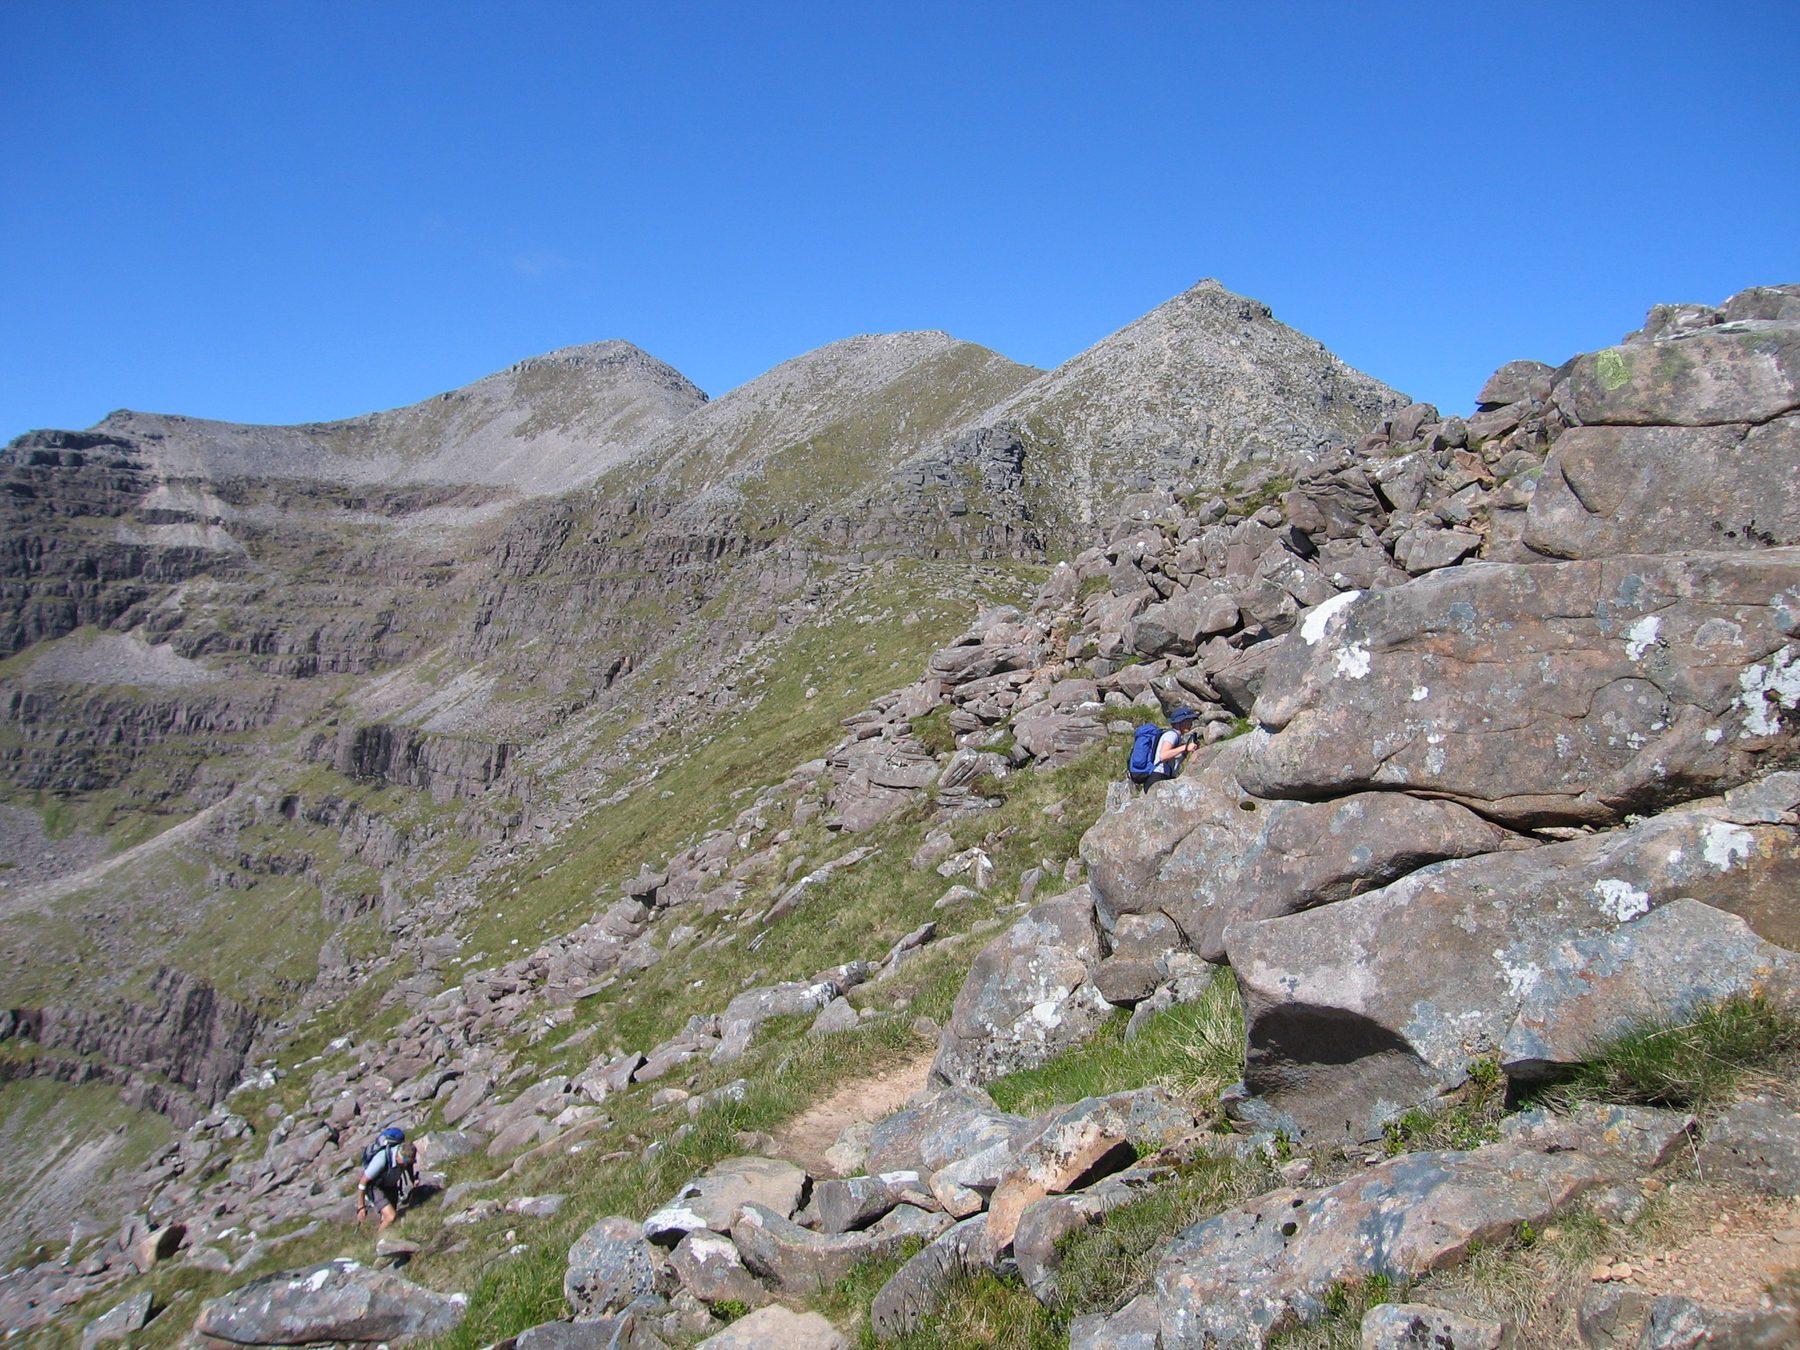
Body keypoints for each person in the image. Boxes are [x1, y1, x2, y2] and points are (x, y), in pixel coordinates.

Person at [356, 1126, 409, 1234]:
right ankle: (376, 1241)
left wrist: (414, 1179)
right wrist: (361, 1206)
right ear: (398, 1157)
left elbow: (409, 1166)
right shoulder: (381, 1158)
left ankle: (383, 1240)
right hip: (375, 1187)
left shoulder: (407, 1153)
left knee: (387, 1219)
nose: (405, 1166)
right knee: (391, 1216)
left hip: (390, 1185)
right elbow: (363, 1182)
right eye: (404, 1163)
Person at [1151, 707, 1201, 780]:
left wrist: (1186, 751)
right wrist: (1185, 747)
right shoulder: (1171, 735)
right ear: (1180, 722)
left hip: (1163, 776)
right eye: (1188, 720)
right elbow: (1163, 756)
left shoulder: (1176, 736)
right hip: (1158, 776)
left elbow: (1174, 760)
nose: (1191, 723)